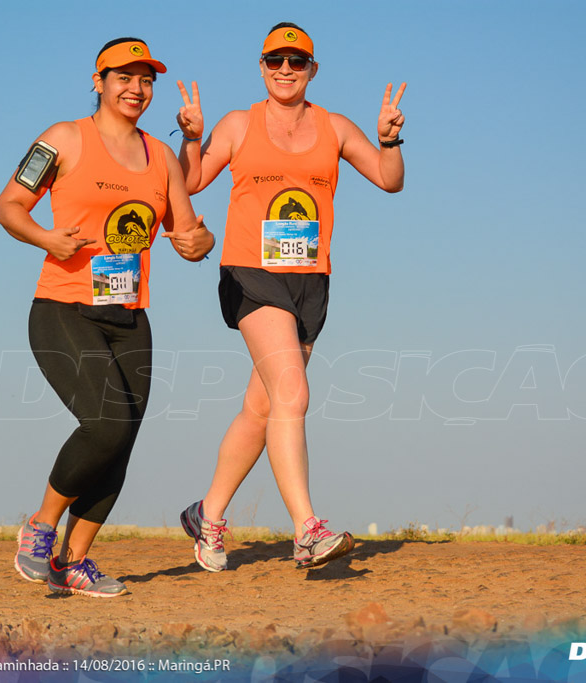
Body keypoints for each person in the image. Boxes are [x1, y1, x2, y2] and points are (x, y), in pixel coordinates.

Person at [174, 22, 406, 571]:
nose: (285, 70)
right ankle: (307, 528)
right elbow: (189, 182)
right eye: (274, 60)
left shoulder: (333, 126)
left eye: (296, 62)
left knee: (263, 408)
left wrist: (390, 139)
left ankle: (207, 515)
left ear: (312, 70)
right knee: (295, 394)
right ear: (261, 66)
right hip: (250, 273)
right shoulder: (239, 123)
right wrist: (190, 138)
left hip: (309, 280)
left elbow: (389, 179)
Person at [0, 37, 214, 597]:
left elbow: (188, 229)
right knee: (107, 424)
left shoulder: (161, 158)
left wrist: (198, 243)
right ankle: (41, 527)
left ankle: (74, 564)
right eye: (124, 77)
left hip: (130, 318)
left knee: (121, 441)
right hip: (63, 307)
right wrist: (49, 238)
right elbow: (8, 206)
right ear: (99, 81)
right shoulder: (63, 138)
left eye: (146, 80)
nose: (136, 89)